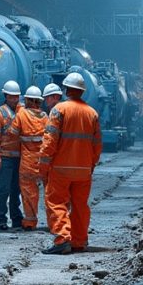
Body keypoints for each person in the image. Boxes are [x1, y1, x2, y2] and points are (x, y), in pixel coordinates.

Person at [38, 72, 102, 255]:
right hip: (83, 170)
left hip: (61, 169)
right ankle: (79, 242)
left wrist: (43, 166)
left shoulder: (59, 110)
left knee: (56, 202)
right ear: (82, 91)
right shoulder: (92, 113)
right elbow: (97, 145)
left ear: (66, 90)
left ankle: (62, 239)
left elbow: (49, 141)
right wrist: (91, 165)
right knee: (80, 205)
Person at [0, 80, 23, 230]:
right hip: (5, 157)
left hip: (20, 157)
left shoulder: (23, 110)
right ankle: (1, 219)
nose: (14, 99)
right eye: (11, 97)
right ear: (6, 96)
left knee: (16, 190)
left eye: (16, 97)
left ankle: (16, 218)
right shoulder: (0, 113)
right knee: (4, 189)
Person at [16, 86, 48, 231]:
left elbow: (12, 132)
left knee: (29, 192)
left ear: (27, 100)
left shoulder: (22, 115)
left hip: (27, 161)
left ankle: (30, 222)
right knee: (51, 192)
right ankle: (55, 222)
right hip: (43, 161)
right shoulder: (45, 117)